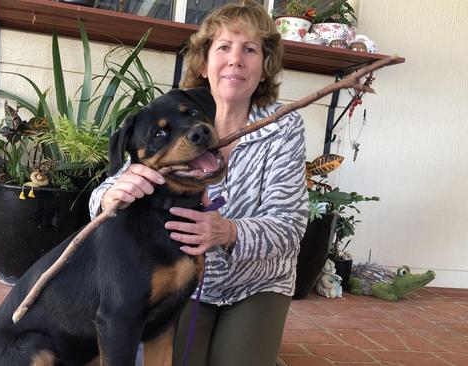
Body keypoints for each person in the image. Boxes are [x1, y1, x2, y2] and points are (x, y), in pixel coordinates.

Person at [88, 1, 308, 364]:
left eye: (249, 49)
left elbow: (291, 226)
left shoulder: (283, 127)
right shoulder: (176, 113)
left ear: (264, 65)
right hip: (185, 282)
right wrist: (114, 191)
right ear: (204, 62)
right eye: (224, 47)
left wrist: (228, 231)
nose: (236, 59)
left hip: (258, 282)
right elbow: (104, 196)